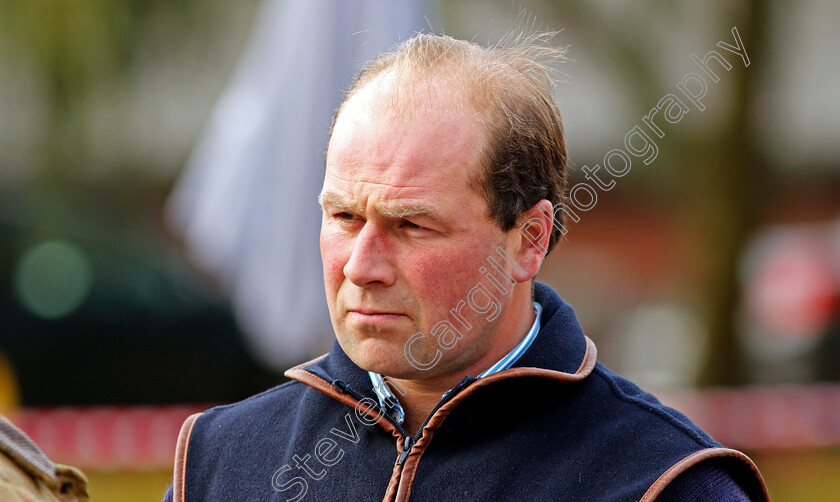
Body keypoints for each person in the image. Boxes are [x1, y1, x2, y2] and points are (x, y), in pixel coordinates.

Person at [163, 33, 768, 501]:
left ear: (529, 239)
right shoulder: (220, 463)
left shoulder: (663, 483)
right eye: (344, 217)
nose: (361, 266)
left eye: (412, 226)